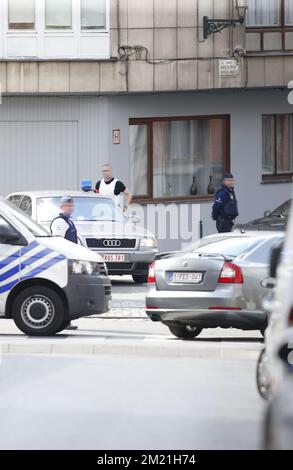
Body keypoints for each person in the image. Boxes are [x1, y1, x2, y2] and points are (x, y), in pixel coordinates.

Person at [50, 196, 78, 330]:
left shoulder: (68, 221)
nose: (70, 207)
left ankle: (67, 321)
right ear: (61, 207)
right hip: (64, 261)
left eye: (71, 205)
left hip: (70, 259)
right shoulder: (60, 222)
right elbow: (58, 242)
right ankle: (64, 321)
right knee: (65, 291)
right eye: (67, 205)